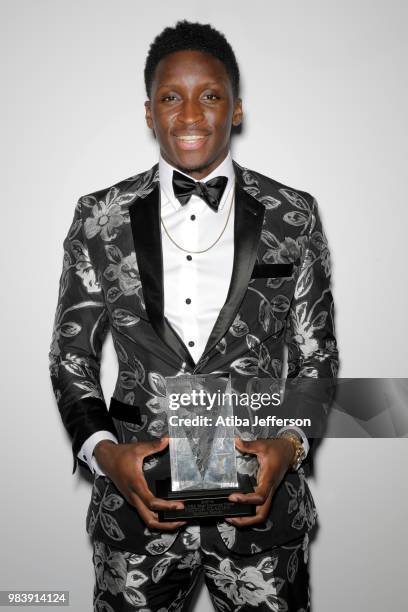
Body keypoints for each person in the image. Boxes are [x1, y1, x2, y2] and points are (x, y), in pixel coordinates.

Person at [49, 20, 339, 612]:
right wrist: (106, 455)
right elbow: (72, 355)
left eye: (209, 95)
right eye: (169, 97)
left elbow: (317, 355)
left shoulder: (294, 215)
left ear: (236, 110)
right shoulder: (98, 216)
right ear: (149, 112)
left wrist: (289, 447)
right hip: (137, 514)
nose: (189, 113)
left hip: (262, 515)